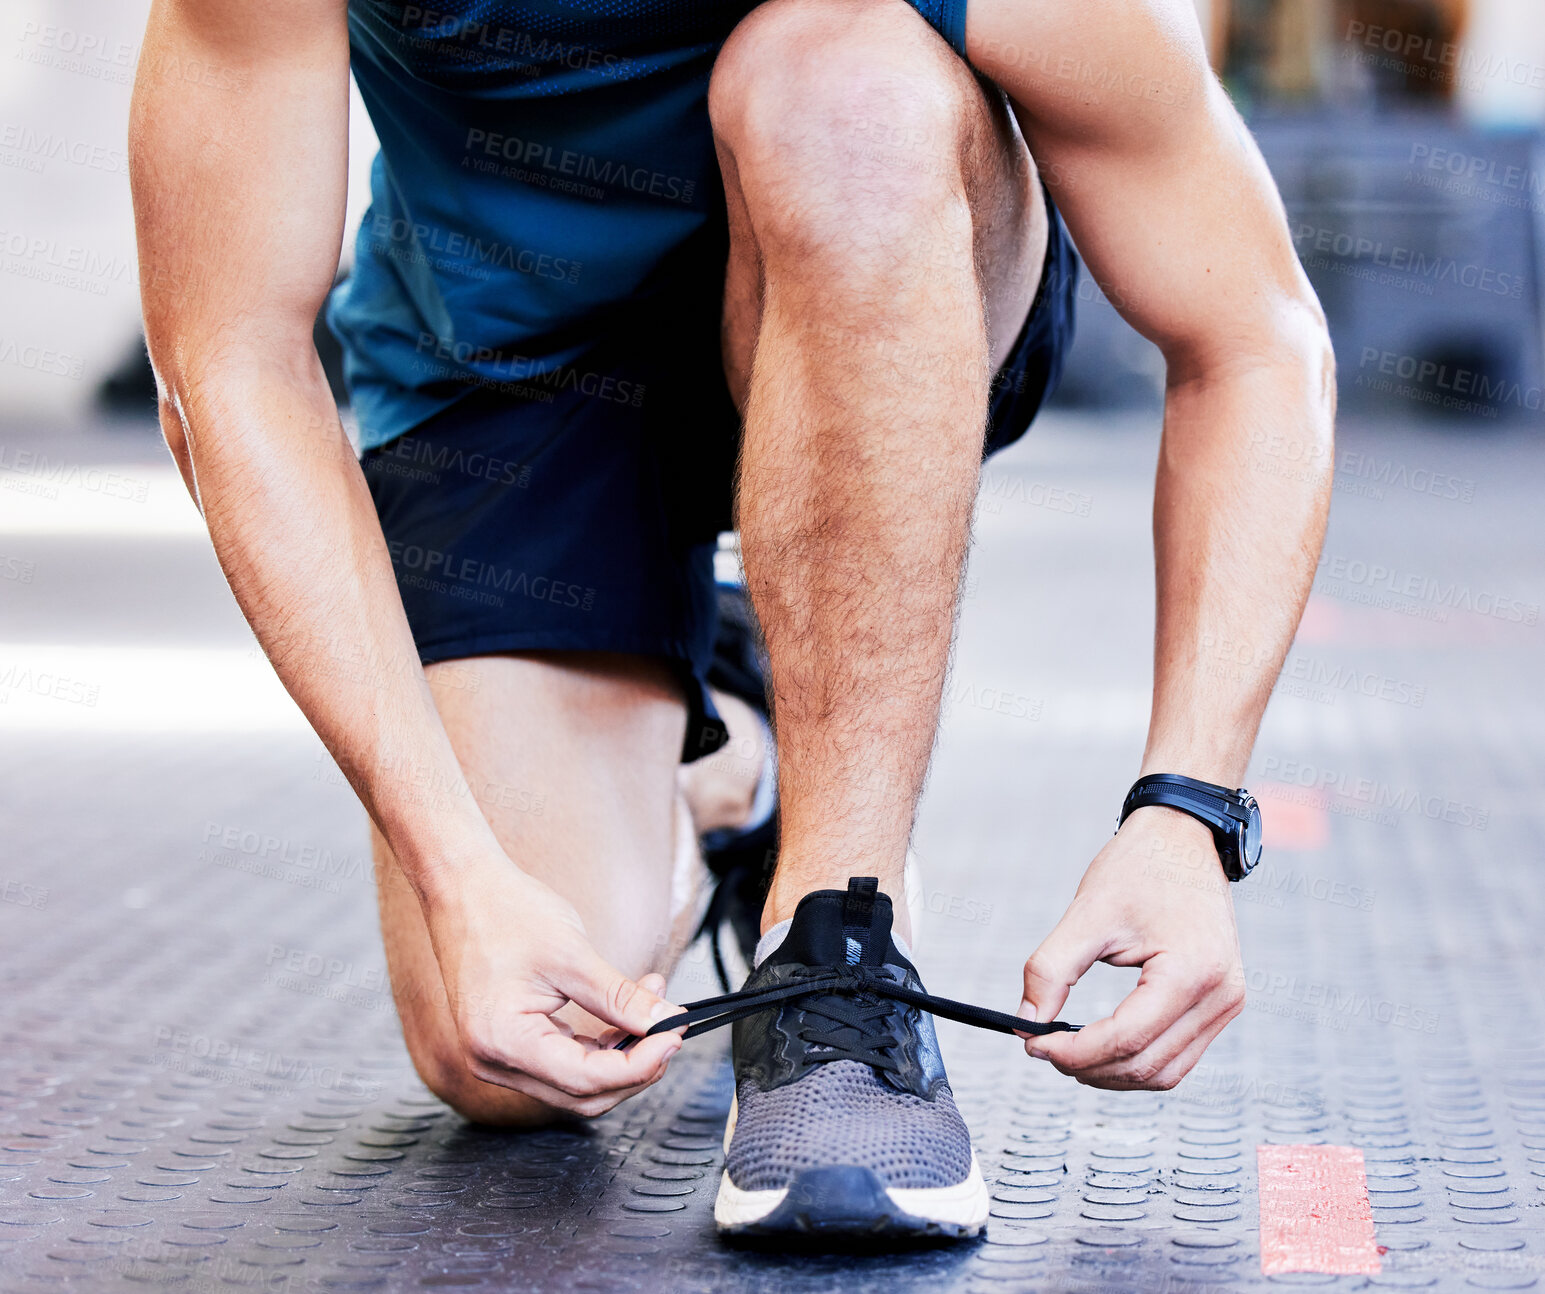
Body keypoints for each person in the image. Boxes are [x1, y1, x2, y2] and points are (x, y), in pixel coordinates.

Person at [129, 0, 1333, 1238]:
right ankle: (738, 758)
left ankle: (835, 939)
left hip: (889, 231)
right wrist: (457, 866)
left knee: (835, 83)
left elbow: (1254, 335)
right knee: (504, 1049)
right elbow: (228, 357)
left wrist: (1188, 808)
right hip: (514, 360)